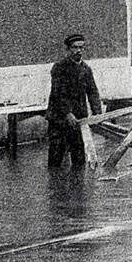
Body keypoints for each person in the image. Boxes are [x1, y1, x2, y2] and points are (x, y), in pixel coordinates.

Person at [46, 34, 103, 168]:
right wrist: (67, 113)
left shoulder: (86, 69)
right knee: (56, 159)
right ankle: (55, 186)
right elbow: (58, 93)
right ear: (68, 49)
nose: (79, 51)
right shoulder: (59, 68)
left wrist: (97, 113)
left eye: (81, 47)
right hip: (58, 119)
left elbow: (93, 92)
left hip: (78, 121)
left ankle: (77, 187)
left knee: (79, 159)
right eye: (75, 47)